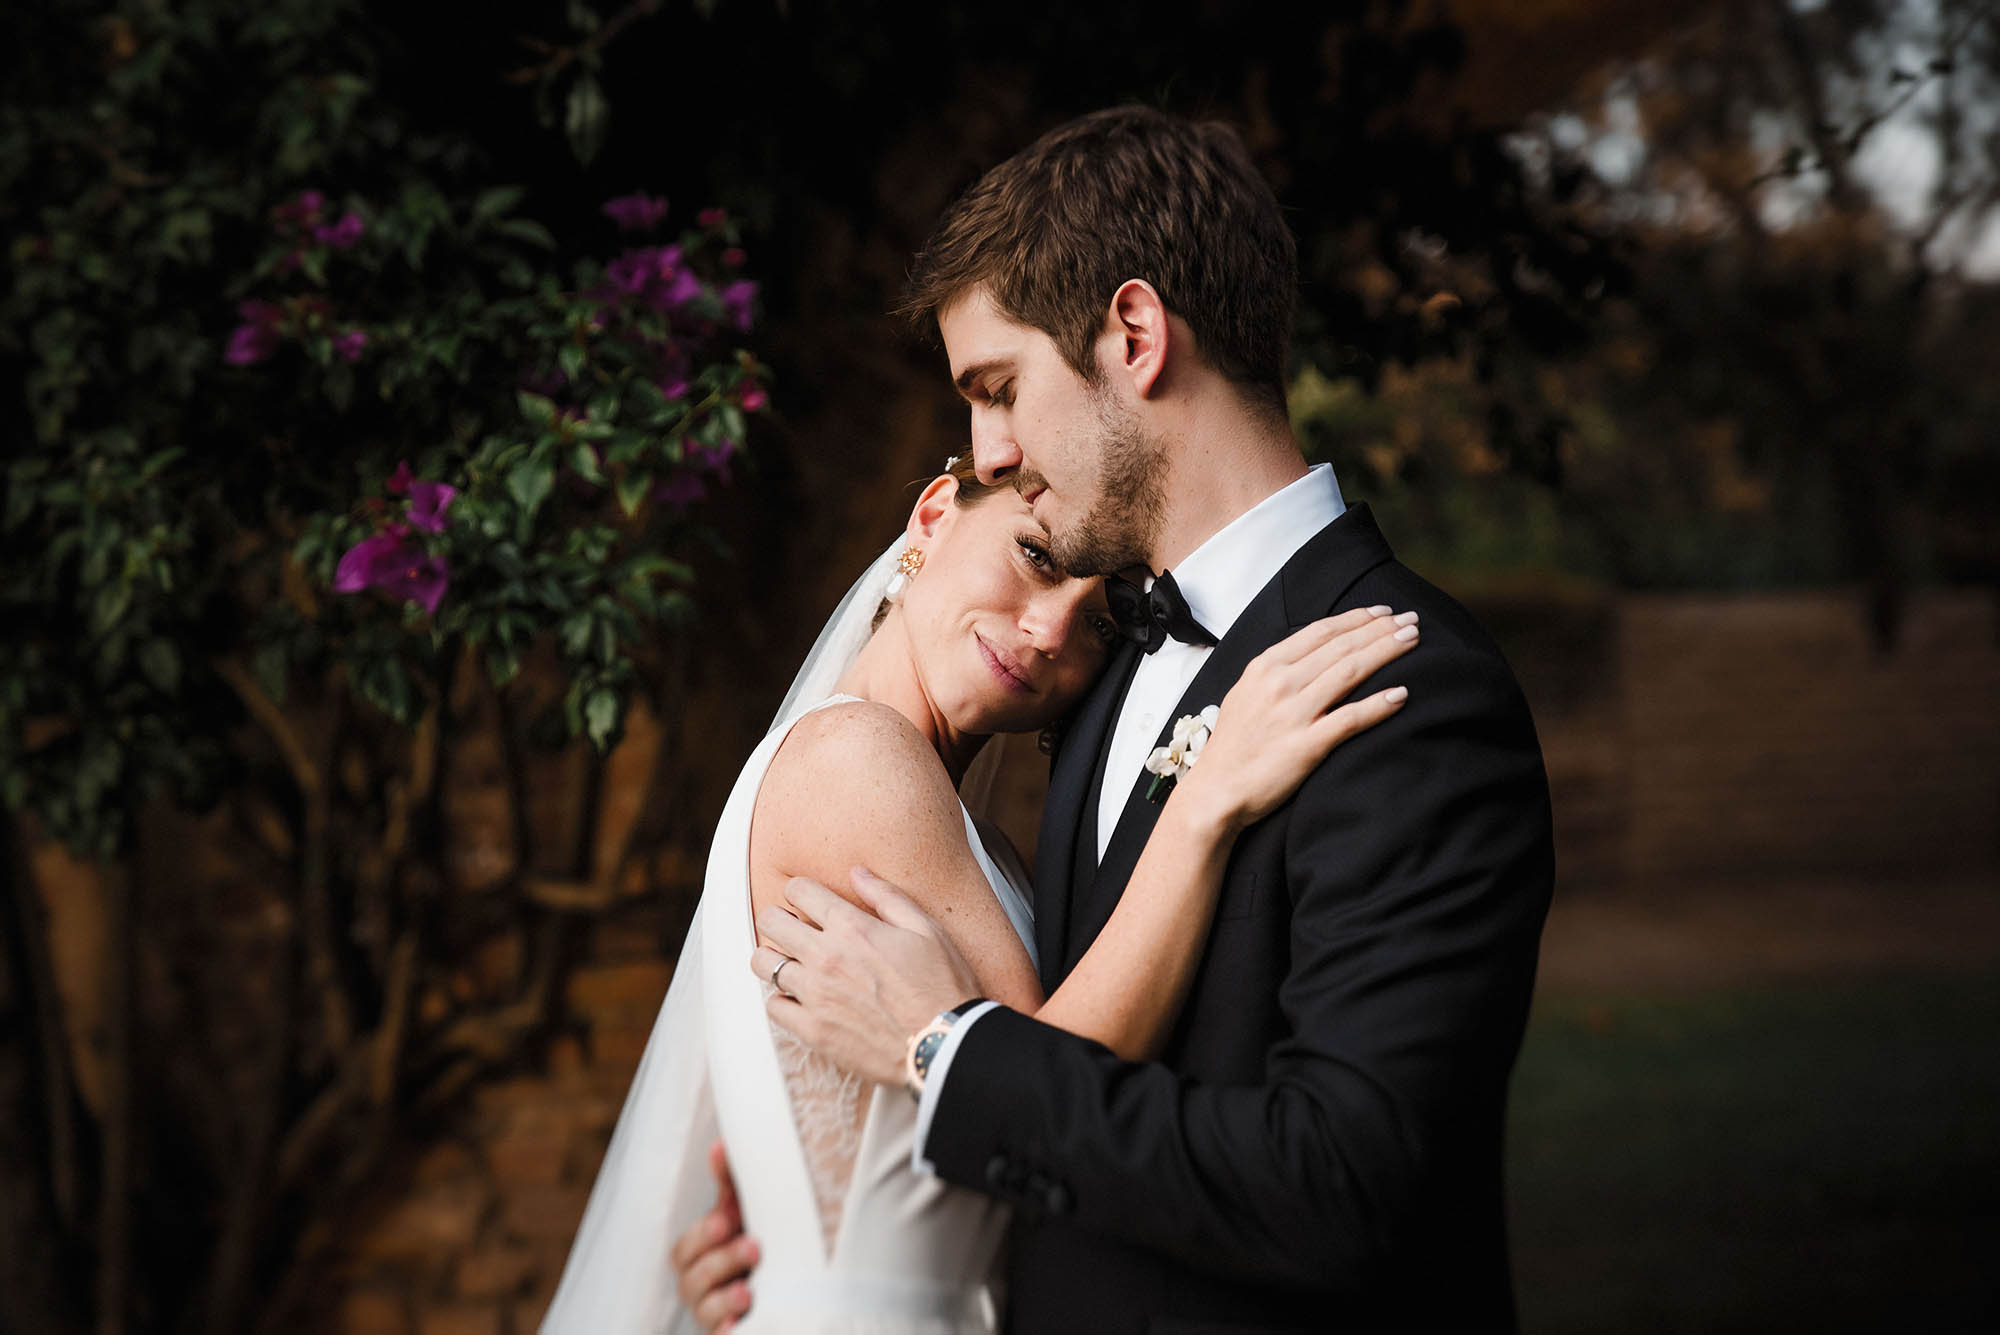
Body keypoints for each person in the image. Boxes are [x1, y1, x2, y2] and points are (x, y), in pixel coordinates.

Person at [675, 106, 1555, 1334]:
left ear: (1133, 335)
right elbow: (1064, 1089)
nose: (987, 451)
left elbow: (1342, 1186)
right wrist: (807, 1232)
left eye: (999, 388)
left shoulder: (1403, 688)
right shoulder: (1095, 683)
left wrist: (941, 1055)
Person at [540, 452, 1420, 1333]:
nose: (1047, 632)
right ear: (931, 518)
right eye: (1036, 556)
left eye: (1102, 625)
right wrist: (1203, 808)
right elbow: (1046, 1076)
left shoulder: (956, 825)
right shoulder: (854, 757)